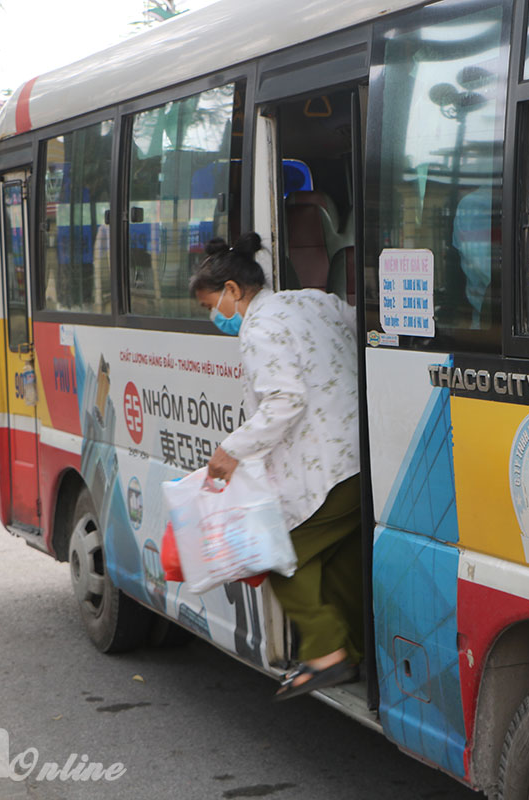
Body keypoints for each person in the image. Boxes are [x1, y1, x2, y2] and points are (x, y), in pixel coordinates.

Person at [190, 232, 362, 701]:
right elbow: (357, 323)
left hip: (327, 468)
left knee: (280, 554)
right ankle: (358, 649)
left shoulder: (259, 330)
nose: (214, 317)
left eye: (212, 305)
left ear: (232, 290)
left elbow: (285, 399)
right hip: (361, 458)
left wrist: (231, 450)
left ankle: (329, 654)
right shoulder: (308, 301)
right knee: (342, 558)